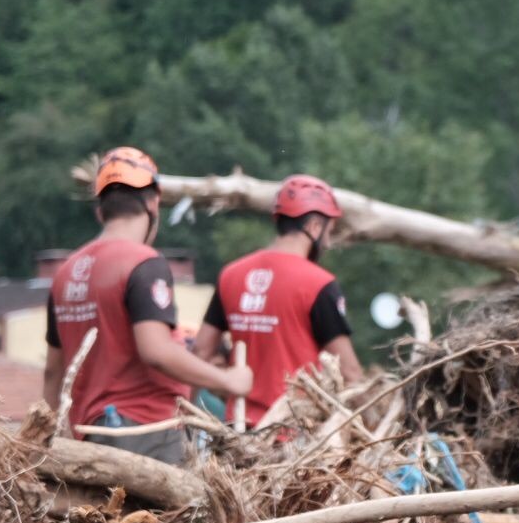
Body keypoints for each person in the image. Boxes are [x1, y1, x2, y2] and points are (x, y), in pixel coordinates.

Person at [43, 147, 252, 464]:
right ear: (154, 202)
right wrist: (228, 380)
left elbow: (52, 373)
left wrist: (47, 441)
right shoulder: (143, 262)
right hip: (143, 431)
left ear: (100, 210)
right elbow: (156, 350)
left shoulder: (65, 272)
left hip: (87, 433)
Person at [193, 175, 363, 425]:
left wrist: (184, 415)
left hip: (238, 429)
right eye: (329, 231)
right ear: (315, 226)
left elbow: (200, 351)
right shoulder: (318, 284)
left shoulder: (232, 274)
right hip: (291, 435)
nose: (327, 241)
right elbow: (350, 373)